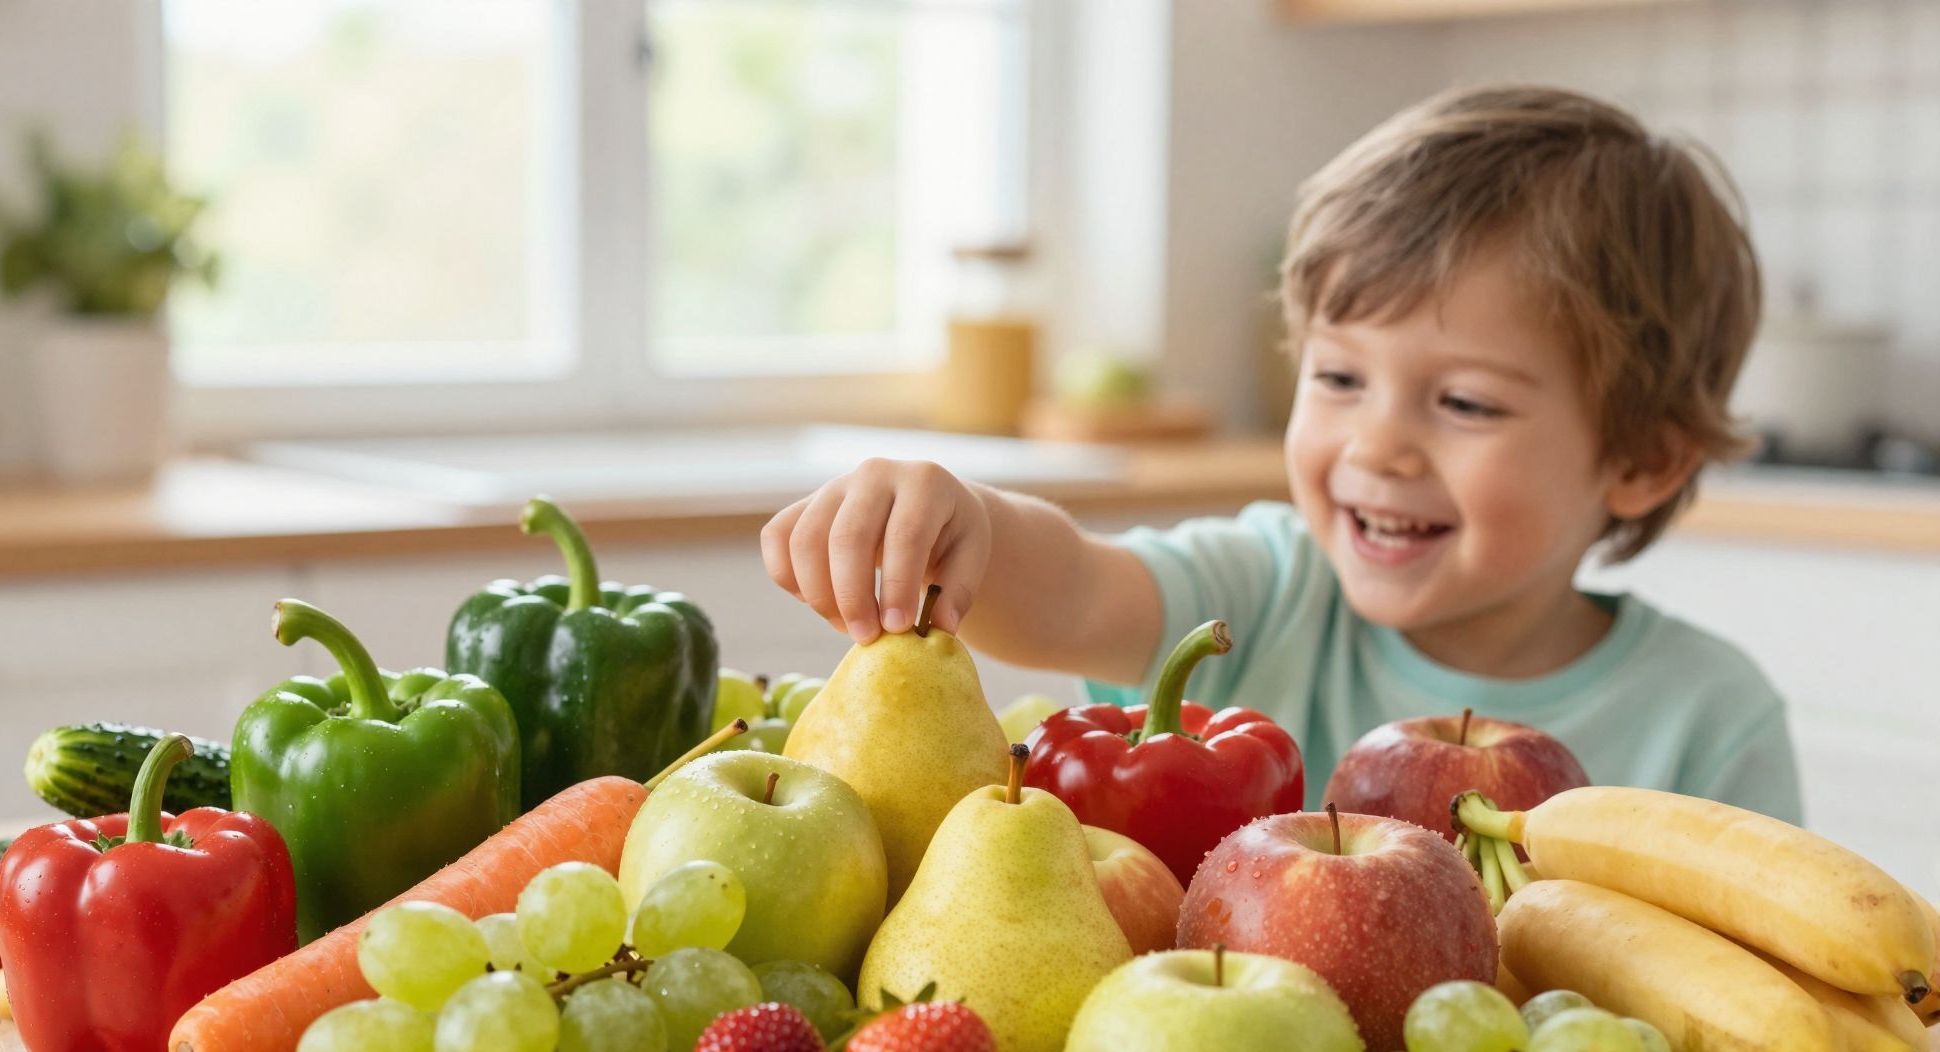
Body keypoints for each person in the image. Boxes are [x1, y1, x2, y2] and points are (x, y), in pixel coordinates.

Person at [760, 85, 1801, 822]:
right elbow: (1071, 590)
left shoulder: (1707, 720)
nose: (1376, 444)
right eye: (1338, 378)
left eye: (1463, 402)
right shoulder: (1264, 590)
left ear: (1642, 460)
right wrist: (966, 519)